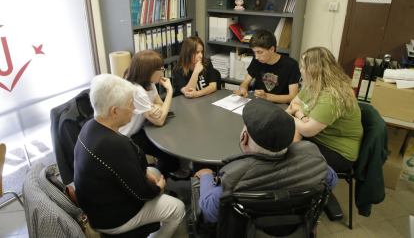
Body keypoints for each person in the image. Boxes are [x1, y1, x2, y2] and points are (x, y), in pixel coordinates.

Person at [74, 74, 185, 237]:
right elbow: (142, 193)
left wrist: (146, 173)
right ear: (114, 111)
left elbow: (121, 170)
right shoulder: (116, 146)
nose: (134, 109)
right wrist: (158, 188)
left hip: (96, 206)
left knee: (155, 172)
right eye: (130, 105)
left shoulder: (89, 127)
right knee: (178, 208)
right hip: (112, 219)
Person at [195, 98, 338, 224]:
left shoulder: (233, 176)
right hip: (295, 227)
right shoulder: (312, 158)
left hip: (249, 230)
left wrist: (206, 176)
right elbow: (332, 181)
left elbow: (209, 213)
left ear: (244, 139)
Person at [286, 47, 363, 172]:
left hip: (337, 151)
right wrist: (302, 117)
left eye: (304, 67)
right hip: (316, 138)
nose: (301, 70)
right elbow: (294, 103)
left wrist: (287, 116)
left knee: (283, 157)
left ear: (315, 70)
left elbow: (307, 130)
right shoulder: (314, 84)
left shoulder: (332, 96)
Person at [120, 50, 190, 180]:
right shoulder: (137, 91)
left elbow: (159, 103)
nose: (163, 70)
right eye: (160, 68)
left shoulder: (149, 83)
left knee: (169, 140)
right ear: (149, 70)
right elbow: (159, 121)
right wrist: (169, 91)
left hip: (138, 129)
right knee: (165, 147)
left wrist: (157, 108)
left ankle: (173, 171)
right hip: (126, 137)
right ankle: (159, 179)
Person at [233, 29, 300, 103]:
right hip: (260, 102)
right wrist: (243, 88)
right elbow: (245, 82)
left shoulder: (291, 65)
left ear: (272, 49)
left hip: (280, 105)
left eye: (260, 52)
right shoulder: (257, 61)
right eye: (254, 52)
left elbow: (293, 96)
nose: (256, 57)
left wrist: (267, 96)